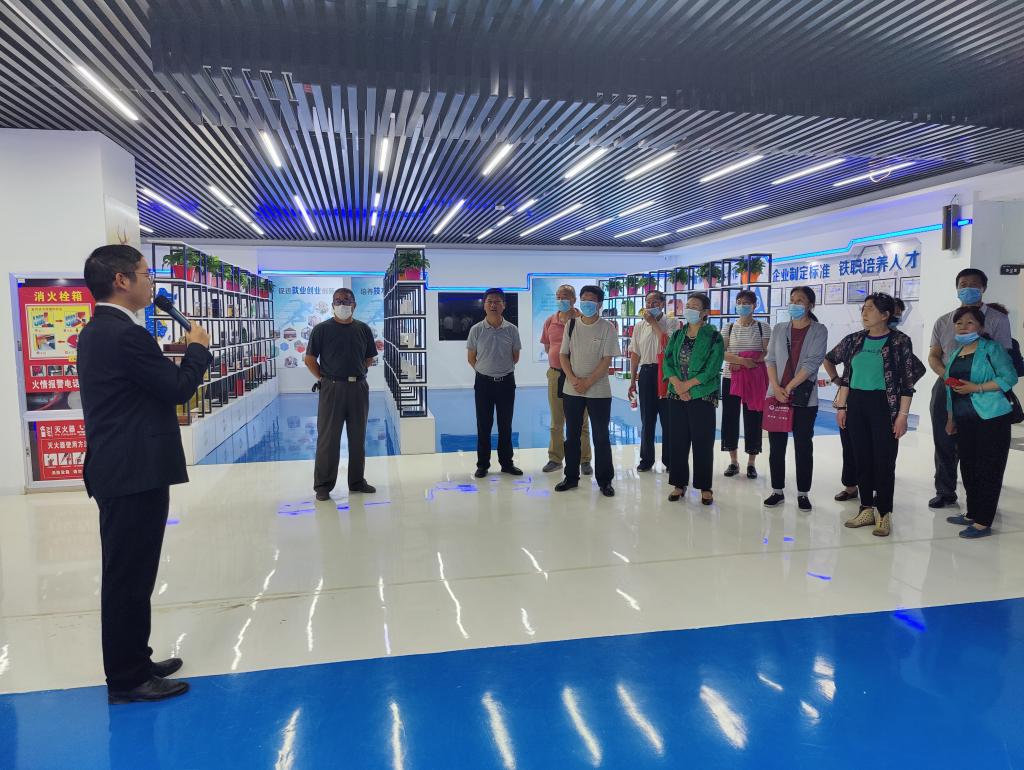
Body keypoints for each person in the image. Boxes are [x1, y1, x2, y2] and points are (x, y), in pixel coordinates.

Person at [79, 245, 212, 704]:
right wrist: (197, 349)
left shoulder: (101, 330)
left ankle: (137, 659)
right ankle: (127, 678)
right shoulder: (123, 335)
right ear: (121, 280)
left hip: (126, 468)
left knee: (135, 575)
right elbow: (177, 388)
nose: (150, 282)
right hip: (132, 471)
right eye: (144, 273)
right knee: (128, 578)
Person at [826, 294, 925, 537]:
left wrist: (903, 415)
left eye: (870, 309)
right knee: (861, 457)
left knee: (884, 460)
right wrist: (841, 406)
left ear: (885, 315)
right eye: (863, 308)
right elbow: (846, 375)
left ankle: (883, 513)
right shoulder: (855, 340)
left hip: (884, 405)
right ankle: (866, 508)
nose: (864, 313)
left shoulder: (899, 341)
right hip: (856, 403)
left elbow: (907, 382)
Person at [927, 269, 1011, 509]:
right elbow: (934, 355)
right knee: (944, 440)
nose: (968, 288)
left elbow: (1004, 357)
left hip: (981, 388)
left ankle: (980, 503)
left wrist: (977, 384)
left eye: (974, 284)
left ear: (983, 288)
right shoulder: (944, 321)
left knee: (978, 446)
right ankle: (945, 491)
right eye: (963, 284)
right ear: (957, 289)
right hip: (946, 385)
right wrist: (947, 377)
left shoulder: (997, 319)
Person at [943, 307, 1019, 538]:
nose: (963, 327)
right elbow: (951, 388)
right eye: (959, 323)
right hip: (964, 418)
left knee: (988, 469)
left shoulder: (991, 349)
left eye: (969, 323)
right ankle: (972, 513)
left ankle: (983, 521)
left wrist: (977, 388)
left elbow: (1009, 377)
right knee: (968, 467)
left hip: (991, 417)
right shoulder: (957, 352)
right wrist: (951, 418)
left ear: (981, 327)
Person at [306, 288, 379, 500]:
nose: (342, 304)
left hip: (358, 388)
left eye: (346, 300)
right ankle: (323, 486)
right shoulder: (321, 330)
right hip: (332, 388)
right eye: (338, 301)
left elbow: (369, 358)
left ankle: (356, 482)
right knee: (328, 439)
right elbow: (310, 359)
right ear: (332, 305)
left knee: (358, 437)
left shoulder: (363, 329)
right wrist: (325, 379)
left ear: (354, 305)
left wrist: (357, 373)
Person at [763, 286, 828, 511]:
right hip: (776, 396)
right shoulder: (779, 329)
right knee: (776, 446)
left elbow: (812, 362)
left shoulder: (819, 330)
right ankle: (777, 490)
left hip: (803, 398)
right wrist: (775, 387)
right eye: (792, 300)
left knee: (803, 445)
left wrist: (788, 387)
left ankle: (803, 493)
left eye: (800, 300)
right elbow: (770, 359)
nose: (794, 304)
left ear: (811, 305)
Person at [556, 285, 619, 497]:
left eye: (591, 300)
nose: (586, 304)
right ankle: (571, 477)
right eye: (583, 299)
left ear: (599, 304)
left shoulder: (607, 328)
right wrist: (574, 380)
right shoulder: (571, 324)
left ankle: (605, 480)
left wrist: (588, 382)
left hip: (599, 391)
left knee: (601, 436)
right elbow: (563, 355)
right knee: (572, 435)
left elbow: (607, 359)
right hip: (572, 389)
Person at [663, 293, 725, 505]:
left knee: (702, 441)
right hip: (676, 394)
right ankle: (678, 484)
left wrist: (687, 385)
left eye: (695, 306)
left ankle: (705, 487)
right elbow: (667, 361)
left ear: (705, 312)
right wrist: (677, 385)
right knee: (677, 440)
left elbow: (713, 367)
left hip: (702, 395)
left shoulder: (714, 336)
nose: (689, 309)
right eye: (688, 305)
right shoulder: (677, 335)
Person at [467, 288, 523, 478]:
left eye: (497, 301)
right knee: (484, 424)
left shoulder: (512, 329)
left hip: (506, 382)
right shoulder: (476, 329)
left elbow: (515, 357)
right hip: (483, 383)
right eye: (489, 301)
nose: (493, 305)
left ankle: (507, 463)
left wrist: (499, 370)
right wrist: (486, 371)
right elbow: (471, 358)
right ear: (484, 305)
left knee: (505, 424)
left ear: (504, 305)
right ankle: (483, 465)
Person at [540, 285, 592, 475]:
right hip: (556, 375)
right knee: (556, 420)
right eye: (558, 297)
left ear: (573, 299)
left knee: (581, 422)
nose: (560, 300)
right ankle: (555, 458)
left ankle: (584, 460)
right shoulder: (550, 321)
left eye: (565, 297)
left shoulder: (583, 320)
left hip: (578, 376)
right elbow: (548, 347)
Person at [720, 289, 770, 479]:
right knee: (730, 418)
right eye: (739, 302)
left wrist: (750, 361)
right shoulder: (728, 327)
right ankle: (733, 461)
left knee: (753, 418)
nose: (742, 305)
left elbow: (767, 352)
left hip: (753, 379)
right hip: (731, 377)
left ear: (754, 306)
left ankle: (751, 462)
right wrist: (741, 361)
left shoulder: (763, 327)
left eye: (746, 302)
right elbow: (721, 352)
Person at [627, 290, 678, 472]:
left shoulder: (672, 322)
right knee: (647, 420)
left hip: (666, 373)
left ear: (662, 304)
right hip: (647, 373)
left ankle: (670, 460)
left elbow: (668, 344)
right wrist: (632, 380)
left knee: (668, 420)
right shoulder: (639, 326)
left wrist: (654, 323)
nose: (650, 306)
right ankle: (646, 459)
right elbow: (635, 354)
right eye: (648, 302)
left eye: (655, 302)